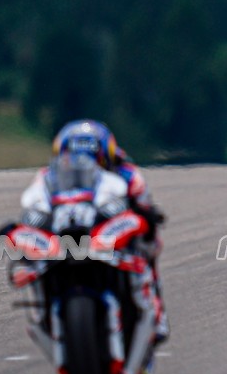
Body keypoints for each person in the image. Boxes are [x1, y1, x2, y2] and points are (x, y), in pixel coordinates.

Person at [12, 120, 168, 344]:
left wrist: (146, 216)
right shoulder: (47, 176)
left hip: (108, 234)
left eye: (93, 158)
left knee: (149, 246)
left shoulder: (128, 174)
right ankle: (42, 308)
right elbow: (34, 205)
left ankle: (154, 308)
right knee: (30, 253)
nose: (83, 163)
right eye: (74, 157)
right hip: (66, 234)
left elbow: (146, 210)